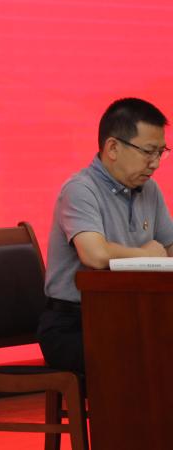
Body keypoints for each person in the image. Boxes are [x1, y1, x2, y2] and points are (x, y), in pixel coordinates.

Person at [38, 97, 173, 374]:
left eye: (161, 152)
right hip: (74, 325)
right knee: (144, 360)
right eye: (149, 152)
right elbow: (95, 255)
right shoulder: (80, 189)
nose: (156, 163)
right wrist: (146, 255)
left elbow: (169, 249)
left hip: (131, 317)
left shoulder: (150, 190)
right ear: (113, 147)